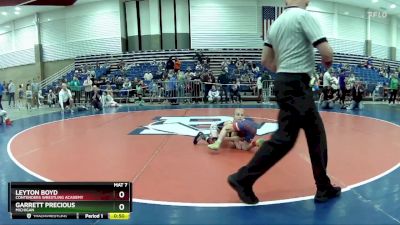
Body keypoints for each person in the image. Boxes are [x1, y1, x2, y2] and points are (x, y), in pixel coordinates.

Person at [227, 0, 341, 205]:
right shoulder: (304, 17)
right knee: (286, 139)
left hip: (284, 81)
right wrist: (327, 60)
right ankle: (243, 178)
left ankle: (323, 186)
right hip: (297, 84)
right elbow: (326, 51)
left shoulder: (276, 23)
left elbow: (265, 60)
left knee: (312, 134)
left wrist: (285, 69)